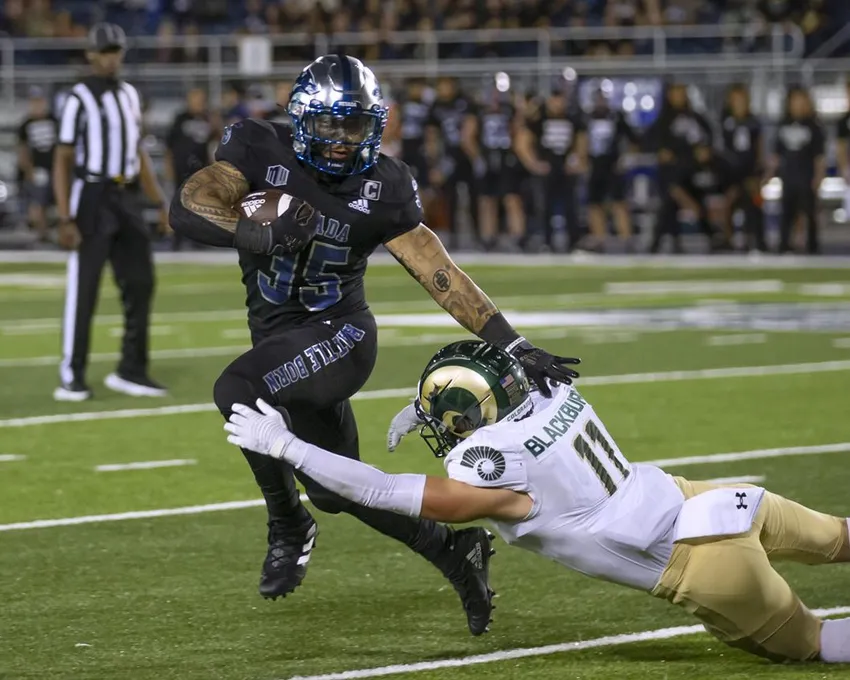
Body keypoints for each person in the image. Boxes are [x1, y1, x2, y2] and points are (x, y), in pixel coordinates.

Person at [168, 54, 580, 635]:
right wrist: (255, 230)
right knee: (336, 487)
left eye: (356, 126)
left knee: (236, 388)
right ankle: (453, 551)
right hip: (282, 342)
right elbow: (186, 207)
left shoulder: (385, 185)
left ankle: (287, 524)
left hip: (341, 335)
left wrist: (511, 342)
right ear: (303, 119)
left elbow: (437, 269)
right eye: (332, 125)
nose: (342, 141)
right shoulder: (258, 147)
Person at [226, 339, 850, 665]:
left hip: (704, 563)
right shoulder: (551, 392)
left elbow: (387, 491)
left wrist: (289, 447)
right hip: (712, 498)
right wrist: (424, 411)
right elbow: (497, 386)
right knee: (840, 538)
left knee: (814, 644)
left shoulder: (496, 471)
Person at [52, 22, 170, 401]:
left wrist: (159, 202)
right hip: (91, 195)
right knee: (84, 289)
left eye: (116, 51)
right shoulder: (78, 97)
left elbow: (137, 151)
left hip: (127, 195)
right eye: (104, 51)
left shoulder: (130, 95)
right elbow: (62, 158)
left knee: (141, 283)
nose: (111, 58)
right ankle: (72, 373)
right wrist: (65, 217)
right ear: (91, 54)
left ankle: (131, 369)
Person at [767, 87, 825, 254]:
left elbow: (819, 156)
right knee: (787, 212)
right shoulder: (783, 125)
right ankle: (784, 243)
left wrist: (818, 177)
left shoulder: (814, 126)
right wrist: (769, 173)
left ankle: (812, 244)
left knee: (809, 212)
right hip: (788, 176)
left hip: (806, 176)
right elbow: (776, 153)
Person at [651, 139, 734, 254]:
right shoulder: (687, 165)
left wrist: (727, 200)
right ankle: (661, 242)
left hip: (713, 199)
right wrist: (690, 204)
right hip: (691, 197)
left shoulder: (719, 164)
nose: (703, 153)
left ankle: (721, 241)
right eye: (700, 150)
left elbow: (733, 185)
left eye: (705, 150)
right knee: (668, 206)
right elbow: (675, 189)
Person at [584, 88, 639, 253]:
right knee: (594, 203)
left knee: (619, 202)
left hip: (613, 165)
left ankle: (626, 239)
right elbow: (581, 140)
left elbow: (633, 139)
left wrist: (626, 159)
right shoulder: (587, 118)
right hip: (595, 165)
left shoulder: (616, 117)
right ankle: (599, 239)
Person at [165, 88, 215, 251]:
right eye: (195, 99)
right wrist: (169, 170)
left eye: (200, 100)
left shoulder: (208, 119)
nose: (198, 103)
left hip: (199, 169)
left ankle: (198, 239)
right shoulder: (180, 119)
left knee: (199, 205)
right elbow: (169, 147)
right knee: (179, 205)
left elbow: (214, 142)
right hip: (181, 168)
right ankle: (177, 239)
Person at [721, 84, 765, 252]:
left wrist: (758, 174)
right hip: (731, 172)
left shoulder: (753, 123)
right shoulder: (727, 122)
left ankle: (756, 239)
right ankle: (728, 239)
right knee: (728, 204)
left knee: (753, 204)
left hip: (750, 171)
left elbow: (759, 149)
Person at [17, 85, 57, 243]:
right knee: (39, 202)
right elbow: (23, 149)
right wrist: (28, 170)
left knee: (60, 200)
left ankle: (62, 231)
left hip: (54, 168)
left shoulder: (53, 120)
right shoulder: (25, 125)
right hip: (38, 169)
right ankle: (43, 234)